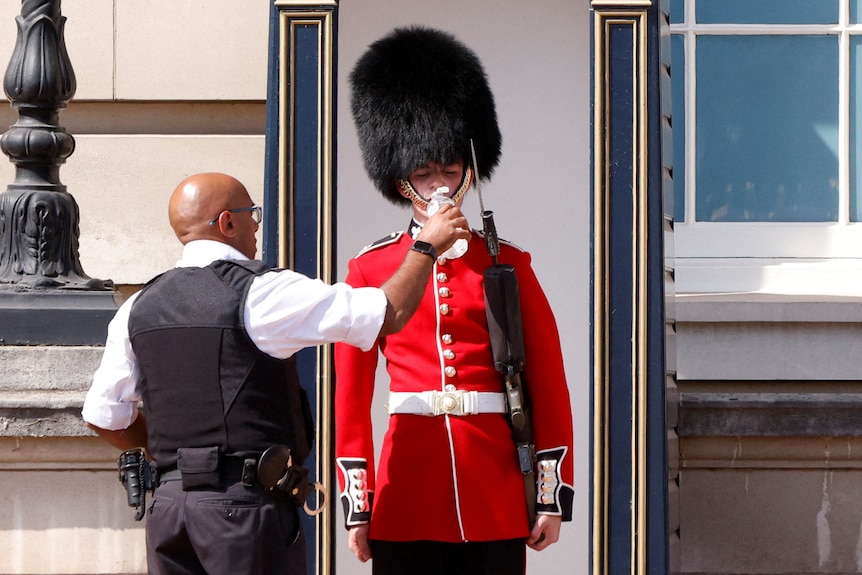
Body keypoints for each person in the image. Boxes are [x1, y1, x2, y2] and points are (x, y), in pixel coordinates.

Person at [81, 171, 470, 575]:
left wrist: (177, 462)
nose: (256, 227)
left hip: (169, 510)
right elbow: (389, 312)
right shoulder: (262, 291)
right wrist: (425, 245)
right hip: (243, 510)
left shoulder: (137, 306)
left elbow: (104, 416)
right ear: (228, 222)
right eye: (253, 215)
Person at [335, 26, 575, 575]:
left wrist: (549, 495)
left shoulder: (508, 263)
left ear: (469, 172)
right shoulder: (370, 268)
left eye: (449, 168)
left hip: (491, 487)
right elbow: (351, 398)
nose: (440, 183)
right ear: (404, 185)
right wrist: (358, 504)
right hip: (406, 487)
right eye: (424, 172)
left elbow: (549, 383)